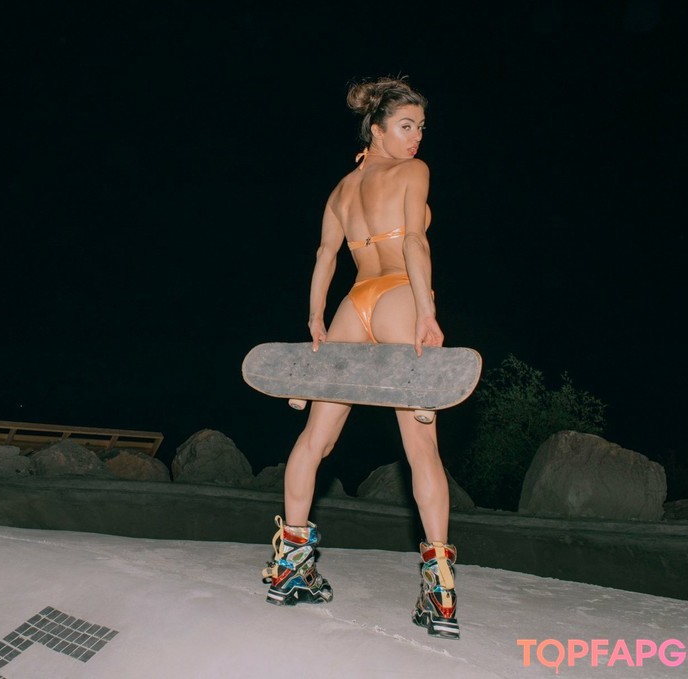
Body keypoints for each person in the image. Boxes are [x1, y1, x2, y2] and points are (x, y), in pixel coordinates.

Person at [260, 76, 459, 640]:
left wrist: (315, 319)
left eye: (421, 128)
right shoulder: (413, 173)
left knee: (314, 442)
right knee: (422, 449)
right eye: (406, 126)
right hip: (398, 298)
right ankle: (440, 595)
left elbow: (326, 255)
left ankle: (289, 569)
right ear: (376, 129)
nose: (416, 138)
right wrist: (426, 313)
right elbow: (414, 242)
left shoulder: (341, 189)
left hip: (353, 307)